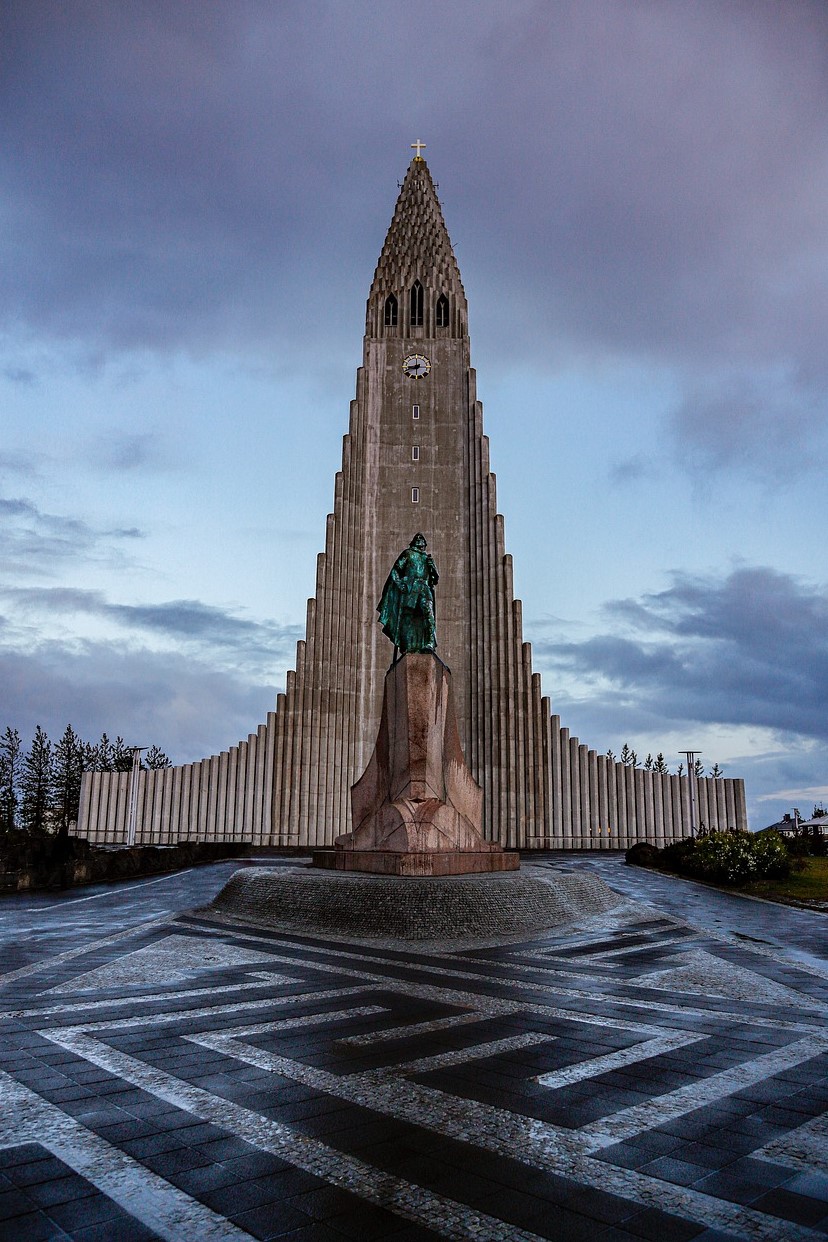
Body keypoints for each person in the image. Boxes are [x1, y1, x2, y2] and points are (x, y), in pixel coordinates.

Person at [377, 533, 439, 655]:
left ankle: (430, 643)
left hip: (424, 589)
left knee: (428, 613)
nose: (420, 542)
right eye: (418, 540)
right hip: (411, 588)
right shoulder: (408, 553)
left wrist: (433, 568)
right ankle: (405, 645)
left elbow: (435, 580)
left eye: (422, 541)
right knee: (407, 617)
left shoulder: (427, 559)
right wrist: (399, 583)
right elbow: (396, 570)